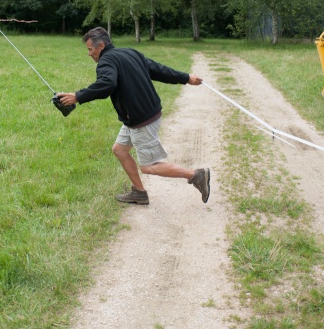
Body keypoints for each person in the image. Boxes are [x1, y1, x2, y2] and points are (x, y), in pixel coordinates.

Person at [57, 27, 210, 205]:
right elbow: (158, 69)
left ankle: (195, 175)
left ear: (101, 45)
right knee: (119, 150)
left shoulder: (106, 61)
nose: (89, 54)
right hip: (141, 114)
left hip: (141, 119)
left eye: (90, 50)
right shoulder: (130, 53)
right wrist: (186, 78)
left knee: (148, 166)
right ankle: (139, 192)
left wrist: (78, 96)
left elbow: (107, 84)